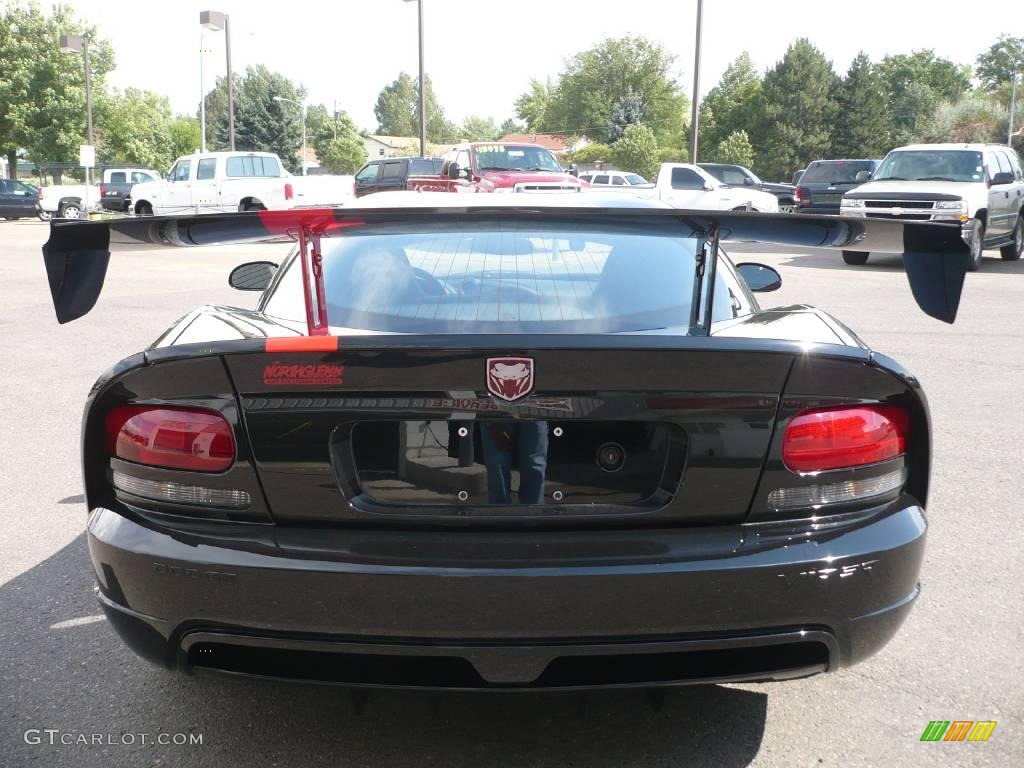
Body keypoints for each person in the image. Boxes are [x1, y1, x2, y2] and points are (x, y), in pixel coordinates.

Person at [479, 421, 548, 504]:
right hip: (498, 412)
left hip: (536, 412)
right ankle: (500, 515)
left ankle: (533, 514)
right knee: (498, 469)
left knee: (535, 468)